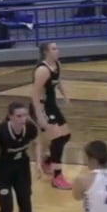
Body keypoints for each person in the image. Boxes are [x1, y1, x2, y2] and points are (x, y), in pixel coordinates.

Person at [31, 42, 72, 190]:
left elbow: (57, 81)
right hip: (42, 107)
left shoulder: (57, 64)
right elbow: (35, 94)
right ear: (46, 52)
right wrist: (39, 115)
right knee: (58, 139)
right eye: (54, 49)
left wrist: (65, 95)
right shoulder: (42, 70)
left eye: (57, 48)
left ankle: (48, 161)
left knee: (66, 136)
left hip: (52, 106)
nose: (57, 50)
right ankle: (57, 177)